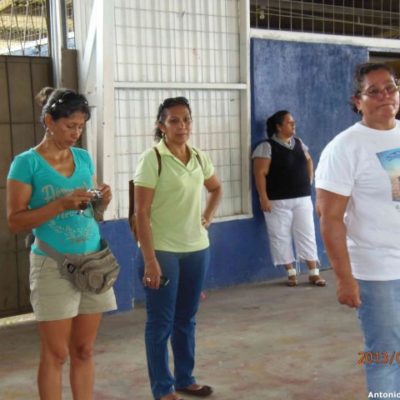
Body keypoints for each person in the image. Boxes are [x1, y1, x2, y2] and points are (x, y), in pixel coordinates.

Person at [6, 87, 117, 400]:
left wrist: (101, 201)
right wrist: (60, 204)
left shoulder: (83, 158)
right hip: (53, 264)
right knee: (56, 354)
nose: (75, 133)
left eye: (80, 127)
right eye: (70, 126)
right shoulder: (26, 164)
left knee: (84, 350)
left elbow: (90, 213)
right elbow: (15, 221)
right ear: (48, 121)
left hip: (93, 262)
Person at [315, 62, 400, 395]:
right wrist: (345, 278)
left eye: (390, 88)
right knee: (385, 355)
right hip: (378, 270)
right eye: (373, 91)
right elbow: (330, 218)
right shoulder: (345, 147)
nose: (384, 96)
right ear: (357, 101)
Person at [134, 96, 222, 400]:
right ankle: (163, 388)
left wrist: (207, 217)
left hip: (197, 249)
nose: (182, 126)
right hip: (162, 251)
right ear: (161, 126)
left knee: (186, 318)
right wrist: (149, 260)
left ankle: (185, 379)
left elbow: (216, 188)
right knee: (161, 322)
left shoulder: (198, 156)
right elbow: (141, 212)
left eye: (186, 120)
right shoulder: (152, 159)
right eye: (174, 121)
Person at [252, 110, 326, 287]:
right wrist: (263, 198)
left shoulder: (299, 143)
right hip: (277, 201)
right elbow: (259, 173)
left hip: (302, 199)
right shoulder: (266, 147)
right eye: (289, 122)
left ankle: (314, 273)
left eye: (294, 122)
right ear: (278, 127)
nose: (294, 125)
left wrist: (309, 179)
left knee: (307, 233)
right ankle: (291, 273)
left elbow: (308, 160)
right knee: (280, 235)